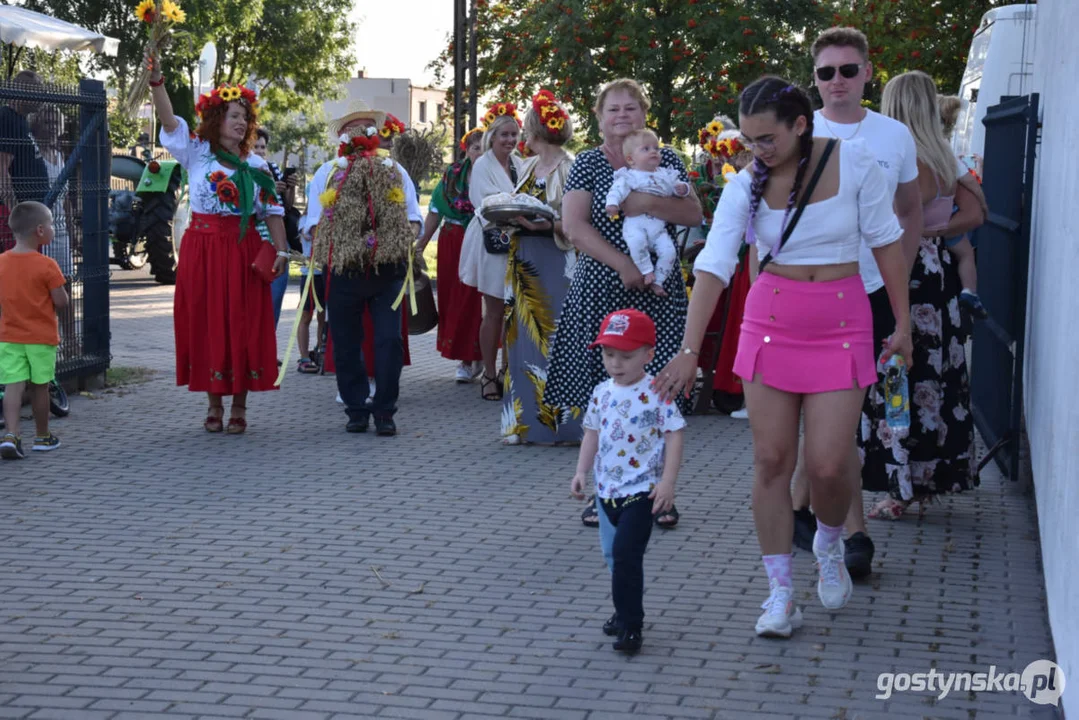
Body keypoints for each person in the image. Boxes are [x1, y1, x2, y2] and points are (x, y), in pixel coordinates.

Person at [654, 76, 912, 637]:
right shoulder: (746, 185)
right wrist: (688, 350)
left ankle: (826, 542)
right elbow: (713, 267)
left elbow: (887, 241)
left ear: (801, 125)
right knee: (772, 461)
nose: (756, 150)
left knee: (826, 462)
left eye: (766, 138)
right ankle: (779, 594)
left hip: (843, 322)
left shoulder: (857, 161)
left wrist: (905, 321)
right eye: (748, 139)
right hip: (769, 325)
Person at [787, 26, 925, 577]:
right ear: (814, 79)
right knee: (826, 421)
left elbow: (910, 210)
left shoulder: (894, 136)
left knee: (838, 421)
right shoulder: (798, 131)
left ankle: (817, 519)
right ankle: (846, 531)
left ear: (868, 73)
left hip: (868, 294)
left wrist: (900, 280)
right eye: (826, 72)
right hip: (808, 294)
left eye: (848, 70)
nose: (837, 81)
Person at [543, 78, 702, 530]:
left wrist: (641, 200)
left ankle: (660, 495)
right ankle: (603, 494)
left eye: (631, 109)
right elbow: (574, 227)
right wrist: (622, 265)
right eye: (613, 109)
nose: (622, 117)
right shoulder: (588, 163)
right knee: (607, 398)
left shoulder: (665, 157)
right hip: (602, 288)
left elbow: (692, 213)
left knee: (660, 393)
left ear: (644, 114)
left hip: (659, 291)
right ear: (598, 116)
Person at [863, 70, 984, 520]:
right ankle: (929, 479)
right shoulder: (945, 157)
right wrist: (938, 229)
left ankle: (900, 488)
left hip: (904, 273)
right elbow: (977, 212)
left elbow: (895, 222)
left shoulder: (906, 158)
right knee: (939, 377)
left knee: (900, 376)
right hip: (939, 276)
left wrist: (920, 230)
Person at [148, 54, 289, 434]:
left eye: (245, 117)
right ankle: (213, 405)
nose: (241, 122)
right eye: (233, 116)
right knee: (208, 322)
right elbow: (168, 120)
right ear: (216, 121)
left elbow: (272, 213)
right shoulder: (197, 150)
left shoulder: (257, 167)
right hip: (203, 250)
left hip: (241, 251)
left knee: (241, 324)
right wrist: (157, 80)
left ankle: (239, 408)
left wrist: (282, 252)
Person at [569, 308, 685, 654]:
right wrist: (581, 472)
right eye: (608, 355)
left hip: (642, 493)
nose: (615, 363)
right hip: (607, 494)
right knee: (611, 555)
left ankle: (632, 626)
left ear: (648, 355)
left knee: (625, 556)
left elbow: (675, 434)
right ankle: (623, 612)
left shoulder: (656, 391)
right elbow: (592, 432)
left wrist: (668, 482)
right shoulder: (602, 392)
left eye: (625, 356)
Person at [312, 104, 421, 437]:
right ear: (343, 137)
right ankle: (356, 408)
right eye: (352, 128)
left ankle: (385, 410)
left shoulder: (394, 170)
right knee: (345, 342)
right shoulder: (328, 172)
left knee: (389, 340)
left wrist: (394, 241)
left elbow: (413, 220)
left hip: (387, 271)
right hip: (344, 271)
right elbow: (314, 224)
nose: (360, 133)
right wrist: (338, 244)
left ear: (376, 135)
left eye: (366, 127)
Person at [501, 90, 578, 445]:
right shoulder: (528, 166)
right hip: (523, 262)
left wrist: (544, 225)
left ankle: (562, 424)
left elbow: (578, 224)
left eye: (525, 128)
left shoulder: (570, 166)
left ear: (535, 129)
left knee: (557, 338)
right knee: (521, 338)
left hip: (555, 263)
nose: (522, 136)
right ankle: (523, 421)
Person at [459, 105, 524, 401]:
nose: (510, 140)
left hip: (521, 241)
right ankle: (488, 373)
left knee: (516, 313)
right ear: (492, 137)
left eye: (514, 135)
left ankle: (507, 371)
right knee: (494, 312)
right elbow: (483, 202)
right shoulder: (482, 165)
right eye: (504, 135)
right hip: (493, 241)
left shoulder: (521, 164)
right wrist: (516, 210)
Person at [415, 127, 484, 382]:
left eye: (485, 148)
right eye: (476, 148)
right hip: (452, 243)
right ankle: (463, 358)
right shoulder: (452, 177)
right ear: (466, 149)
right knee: (453, 300)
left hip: (482, 242)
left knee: (477, 300)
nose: (480, 153)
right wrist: (420, 245)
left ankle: (478, 355)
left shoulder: (499, 175)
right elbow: (435, 212)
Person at [0, 201, 69, 458]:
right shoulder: (47, 265)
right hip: (41, 337)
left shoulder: (1, 262)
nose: (52, 228)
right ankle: (42, 436)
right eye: (51, 224)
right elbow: (61, 302)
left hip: (8, 336)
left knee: (13, 385)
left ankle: (11, 435)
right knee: (40, 386)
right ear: (40, 230)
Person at [604, 129, 689, 297]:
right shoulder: (630, 177)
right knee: (636, 244)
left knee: (670, 251)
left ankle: (658, 281)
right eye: (646, 149)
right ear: (630, 159)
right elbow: (616, 190)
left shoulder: (666, 174)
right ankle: (647, 271)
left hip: (659, 229)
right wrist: (612, 203)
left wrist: (683, 189)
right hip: (636, 225)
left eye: (656, 148)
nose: (653, 152)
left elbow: (677, 188)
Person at [937, 94, 988, 320]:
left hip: (926, 222)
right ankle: (970, 291)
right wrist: (982, 202)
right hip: (950, 219)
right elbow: (968, 181)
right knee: (966, 254)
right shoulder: (945, 153)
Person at [252, 127, 298, 330]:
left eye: (263, 147)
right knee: (254, 301)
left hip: (277, 242)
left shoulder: (272, 168)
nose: (260, 151)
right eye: (256, 147)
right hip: (255, 241)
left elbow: (285, 207)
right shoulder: (244, 171)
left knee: (275, 299)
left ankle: (269, 351)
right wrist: (267, 190)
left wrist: (290, 188)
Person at [0, 71, 49, 254]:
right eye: (37, 91)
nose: (41, 97)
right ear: (21, 92)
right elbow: (1, 170)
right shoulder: (8, 119)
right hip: (19, 216)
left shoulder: (20, 121)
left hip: (29, 214)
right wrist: (15, 213)